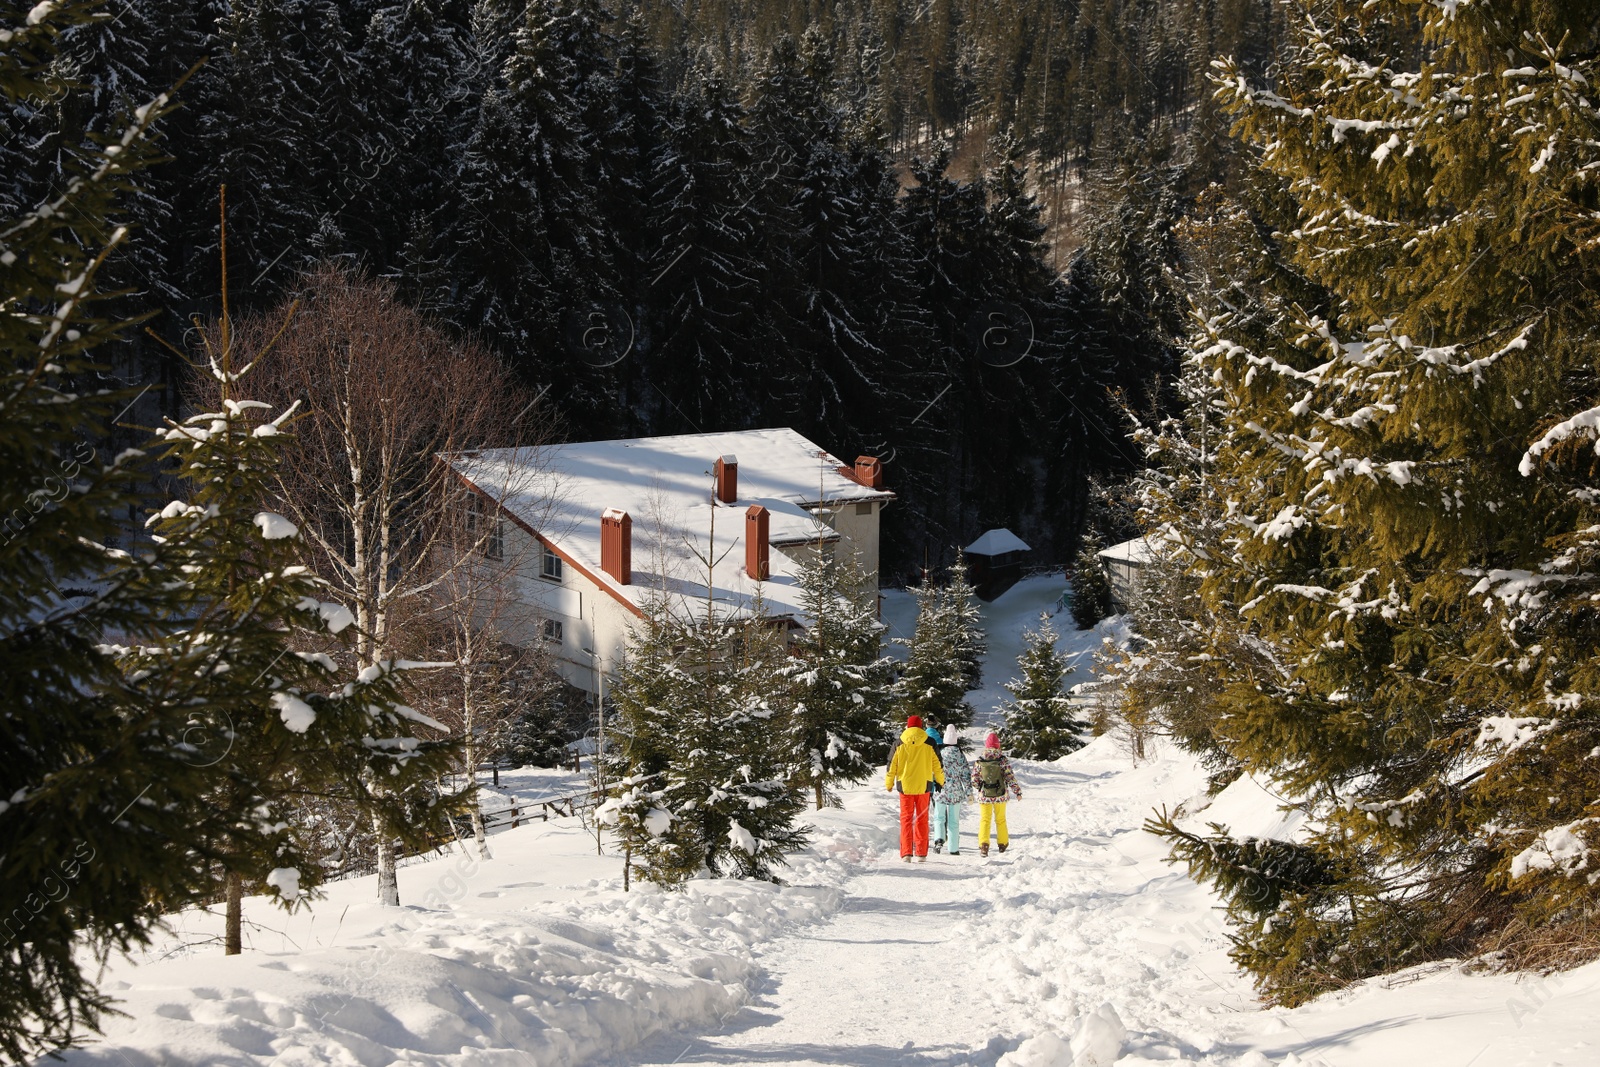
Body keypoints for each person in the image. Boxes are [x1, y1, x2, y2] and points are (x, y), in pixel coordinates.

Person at [885, 714, 945, 862]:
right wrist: (941, 780)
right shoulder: (929, 742)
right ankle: (921, 853)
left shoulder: (898, 743)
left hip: (904, 786)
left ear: (907, 726)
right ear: (920, 727)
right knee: (922, 819)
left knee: (906, 819)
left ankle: (906, 853)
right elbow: (937, 764)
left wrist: (889, 782)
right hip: (923, 786)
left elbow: (891, 764)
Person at [971, 731, 1021, 857]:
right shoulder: (1002, 760)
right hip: (1001, 795)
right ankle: (1002, 844)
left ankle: (983, 845)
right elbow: (1010, 777)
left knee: (985, 819)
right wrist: (1017, 791)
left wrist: (980, 787)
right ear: (998, 746)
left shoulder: (980, 760)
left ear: (986, 746)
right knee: (1000, 819)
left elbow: (974, 779)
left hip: (985, 795)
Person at [932, 725, 971, 855]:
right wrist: (969, 792)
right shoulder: (960, 755)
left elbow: (933, 771)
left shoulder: (939, 753)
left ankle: (938, 839)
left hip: (940, 791)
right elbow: (966, 775)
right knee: (954, 821)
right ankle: (953, 848)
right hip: (956, 792)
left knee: (939, 817)